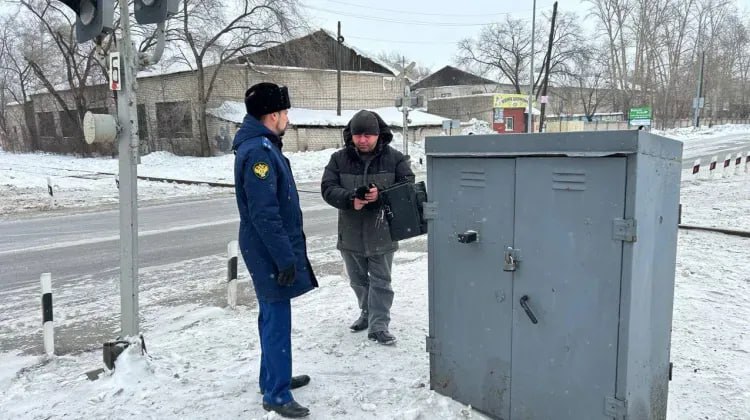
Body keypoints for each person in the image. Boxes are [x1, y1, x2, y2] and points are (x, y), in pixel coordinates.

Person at [232, 82, 318, 418]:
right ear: (272, 115)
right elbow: (264, 214)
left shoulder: (263, 145)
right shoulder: (259, 152)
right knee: (277, 319)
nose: (287, 118)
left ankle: (272, 378)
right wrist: (285, 258)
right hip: (267, 249)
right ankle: (277, 395)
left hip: (264, 246)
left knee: (272, 316)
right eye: (285, 112)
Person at [320, 110, 415, 345]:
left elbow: (407, 186)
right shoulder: (338, 159)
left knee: (381, 281)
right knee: (358, 280)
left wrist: (380, 196)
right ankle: (366, 312)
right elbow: (328, 188)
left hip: (382, 231)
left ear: (378, 135)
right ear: (350, 135)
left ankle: (379, 325)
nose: (362, 140)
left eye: (367, 135)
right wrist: (350, 198)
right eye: (357, 135)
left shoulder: (395, 158)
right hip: (350, 232)